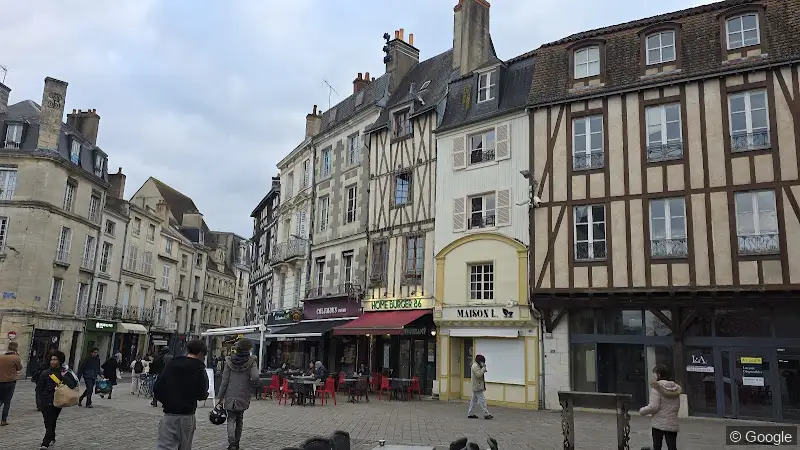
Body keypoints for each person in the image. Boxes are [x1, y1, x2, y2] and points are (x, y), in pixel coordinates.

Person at [154, 338, 209, 450]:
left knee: (165, 446)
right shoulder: (199, 368)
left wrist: (167, 401)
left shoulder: (172, 364)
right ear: (200, 353)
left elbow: (157, 387)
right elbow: (201, 392)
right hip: (187, 415)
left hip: (170, 414)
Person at [217, 339, 259, 450]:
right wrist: (252, 384)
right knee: (239, 419)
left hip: (230, 394)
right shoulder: (251, 361)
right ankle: (237, 442)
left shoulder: (229, 361)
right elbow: (255, 377)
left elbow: (224, 381)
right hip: (243, 393)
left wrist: (220, 396)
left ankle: (231, 443)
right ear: (249, 348)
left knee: (230, 419)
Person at [36, 350, 78, 449]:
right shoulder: (45, 373)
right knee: (48, 422)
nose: (52, 361)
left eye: (55, 359)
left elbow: (73, 385)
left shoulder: (64, 372)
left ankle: (45, 443)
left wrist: (65, 376)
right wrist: (39, 402)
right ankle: (52, 436)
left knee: (51, 421)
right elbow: (39, 388)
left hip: (58, 400)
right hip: (46, 400)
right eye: (51, 359)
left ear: (60, 361)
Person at [639, 364, 682, 450]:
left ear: (658, 375)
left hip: (659, 422)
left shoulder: (656, 388)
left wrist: (642, 411)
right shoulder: (675, 388)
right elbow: (676, 406)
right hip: (672, 421)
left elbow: (653, 407)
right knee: (672, 446)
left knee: (657, 446)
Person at [0, 342, 23, 426]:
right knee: (7, 401)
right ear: (16, 348)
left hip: (0, 381)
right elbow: (19, 368)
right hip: (10, 382)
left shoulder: (1, 357)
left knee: (1, 399)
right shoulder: (16, 357)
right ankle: (3, 420)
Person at [467, 354, 493, 420]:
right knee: (482, 400)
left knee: (473, 401)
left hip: (476, 386)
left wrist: (482, 368)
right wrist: (483, 368)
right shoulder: (475, 366)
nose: (483, 363)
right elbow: (478, 375)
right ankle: (486, 414)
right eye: (482, 361)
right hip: (477, 386)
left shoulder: (477, 365)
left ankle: (470, 413)